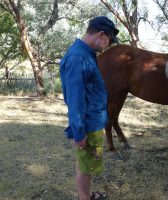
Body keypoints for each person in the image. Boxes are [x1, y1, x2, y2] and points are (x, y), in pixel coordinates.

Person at [60, 16, 119, 200]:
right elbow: (75, 99)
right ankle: (86, 198)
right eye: (109, 40)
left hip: (92, 120)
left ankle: (88, 195)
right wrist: (79, 132)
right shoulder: (78, 57)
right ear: (101, 34)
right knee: (86, 166)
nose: (108, 44)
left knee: (87, 164)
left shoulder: (86, 54)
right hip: (88, 124)